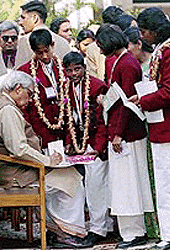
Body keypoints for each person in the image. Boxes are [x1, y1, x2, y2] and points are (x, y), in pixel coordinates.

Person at [0, 71, 89, 248]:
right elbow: (18, 149)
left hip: (12, 168)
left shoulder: (2, 102)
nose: (31, 99)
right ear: (18, 89)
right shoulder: (6, 110)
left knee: (66, 176)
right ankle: (67, 233)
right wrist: (47, 161)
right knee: (72, 181)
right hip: (13, 173)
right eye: (30, 93)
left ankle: (57, 229)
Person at [130, 7, 170, 250]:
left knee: (168, 182)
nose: (143, 37)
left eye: (144, 32)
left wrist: (144, 100)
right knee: (166, 182)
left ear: (154, 31)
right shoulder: (162, 51)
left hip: (168, 124)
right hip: (160, 123)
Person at [96, 24, 154, 249]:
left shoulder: (127, 64)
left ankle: (134, 232)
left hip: (127, 134)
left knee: (128, 184)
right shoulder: (121, 61)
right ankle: (129, 230)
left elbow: (127, 105)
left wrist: (118, 134)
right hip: (121, 131)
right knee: (123, 184)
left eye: (101, 44)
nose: (99, 49)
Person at [62, 51, 113, 247]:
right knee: (89, 187)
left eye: (77, 69)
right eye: (69, 70)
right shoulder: (66, 88)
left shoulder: (97, 86)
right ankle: (103, 225)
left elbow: (103, 120)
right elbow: (68, 118)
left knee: (96, 186)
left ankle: (98, 229)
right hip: (80, 144)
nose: (74, 73)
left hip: (96, 143)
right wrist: (69, 141)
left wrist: (98, 147)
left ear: (84, 67)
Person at [18, 29, 65, 149]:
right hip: (40, 130)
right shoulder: (25, 72)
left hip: (65, 129)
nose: (44, 56)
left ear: (52, 45)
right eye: (39, 53)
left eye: (47, 51)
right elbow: (23, 107)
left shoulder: (64, 67)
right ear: (33, 51)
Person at [15, 0, 70, 68]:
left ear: (35, 18)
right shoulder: (64, 42)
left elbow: (19, 74)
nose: (20, 22)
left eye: (23, 18)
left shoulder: (25, 41)